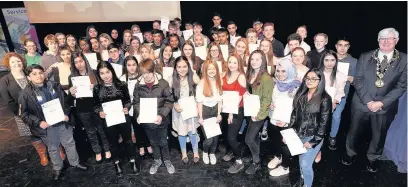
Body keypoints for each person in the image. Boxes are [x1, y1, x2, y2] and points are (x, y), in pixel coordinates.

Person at [343, 28, 407, 172]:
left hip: (385, 106)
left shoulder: (405, 60)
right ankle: (350, 153)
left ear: (396, 41)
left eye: (389, 38)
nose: (385, 41)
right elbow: (358, 80)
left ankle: (373, 158)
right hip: (361, 102)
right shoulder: (365, 56)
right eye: (382, 38)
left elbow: (402, 86)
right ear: (378, 41)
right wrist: (369, 101)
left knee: (379, 135)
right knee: (353, 132)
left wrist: (381, 103)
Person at [19, 64, 87, 180]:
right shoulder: (25, 94)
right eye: (34, 74)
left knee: (70, 143)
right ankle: (57, 168)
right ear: (28, 77)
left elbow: (66, 101)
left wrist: (66, 113)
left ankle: (75, 162)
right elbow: (23, 114)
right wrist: (39, 122)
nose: (38, 76)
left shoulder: (54, 85)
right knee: (53, 148)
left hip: (62, 122)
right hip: (47, 127)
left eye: (40, 73)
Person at [0, 53, 55, 167]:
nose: (17, 63)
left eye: (18, 61)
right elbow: (9, 102)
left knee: (49, 129)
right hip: (22, 114)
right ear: (8, 65)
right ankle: (43, 154)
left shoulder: (29, 73)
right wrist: (22, 115)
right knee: (33, 135)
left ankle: (56, 149)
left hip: (40, 109)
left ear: (22, 61)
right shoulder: (4, 80)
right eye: (13, 62)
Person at [93, 61, 139, 176]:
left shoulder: (122, 84)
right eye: (102, 73)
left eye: (107, 72)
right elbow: (95, 105)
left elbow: (128, 101)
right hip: (108, 120)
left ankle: (133, 161)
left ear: (112, 72)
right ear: (99, 75)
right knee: (112, 143)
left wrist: (126, 107)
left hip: (123, 118)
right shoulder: (97, 88)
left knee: (128, 140)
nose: (106, 75)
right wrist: (100, 112)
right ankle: (116, 163)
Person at [287, 68, 332, 187]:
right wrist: (289, 133)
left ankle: (307, 184)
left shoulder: (325, 99)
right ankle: (302, 179)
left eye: (314, 79)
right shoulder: (301, 94)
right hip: (298, 134)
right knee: (301, 161)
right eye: (307, 78)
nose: (309, 81)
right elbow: (294, 115)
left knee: (305, 164)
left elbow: (324, 124)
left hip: (313, 136)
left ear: (320, 80)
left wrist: (314, 141)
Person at [133, 58, 175, 174]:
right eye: (143, 73)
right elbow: (136, 102)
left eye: (148, 72)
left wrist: (161, 115)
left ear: (153, 70)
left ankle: (167, 160)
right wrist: (139, 114)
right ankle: (157, 160)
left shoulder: (163, 83)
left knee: (163, 141)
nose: (146, 76)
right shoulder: (138, 85)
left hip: (161, 120)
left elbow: (169, 101)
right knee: (153, 141)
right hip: (147, 121)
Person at [68, 52, 111, 163]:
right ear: (73, 64)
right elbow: (72, 97)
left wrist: (95, 88)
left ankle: (106, 149)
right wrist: (71, 93)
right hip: (82, 109)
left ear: (85, 61)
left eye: (81, 61)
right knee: (90, 131)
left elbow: (104, 90)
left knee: (102, 129)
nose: (79, 64)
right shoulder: (71, 77)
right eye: (76, 62)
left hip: (96, 106)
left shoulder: (95, 73)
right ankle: (97, 151)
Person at [268, 59, 301, 177]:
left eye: (284, 71)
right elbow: (275, 98)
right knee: (276, 140)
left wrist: (287, 121)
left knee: (285, 144)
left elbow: (298, 109)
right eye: (278, 71)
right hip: (275, 118)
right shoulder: (277, 84)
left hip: (287, 122)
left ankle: (285, 167)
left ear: (290, 71)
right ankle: (278, 156)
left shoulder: (297, 87)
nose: (280, 74)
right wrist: (271, 104)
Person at [244, 50, 273, 174]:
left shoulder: (266, 77)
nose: (254, 62)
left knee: (248, 139)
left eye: (258, 59)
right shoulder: (250, 74)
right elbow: (252, 91)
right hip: (250, 109)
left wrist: (259, 115)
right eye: (252, 59)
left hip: (259, 113)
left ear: (263, 61)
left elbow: (267, 99)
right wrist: (247, 93)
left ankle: (257, 161)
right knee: (254, 137)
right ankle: (255, 156)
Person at [315, 50, 347, 162]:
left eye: (332, 60)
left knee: (322, 129)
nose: (329, 63)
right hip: (315, 104)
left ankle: (318, 150)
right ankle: (315, 149)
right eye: (326, 60)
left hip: (329, 106)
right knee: (314, 128)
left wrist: (335, 102)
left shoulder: (341, 76)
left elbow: (340, 92)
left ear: (336, 61)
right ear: (322, 60)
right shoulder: (316, 73)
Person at [119, 56, 153, 158]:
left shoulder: (142, 76)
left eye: (134, 65)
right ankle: (141, 146)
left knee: (145, 127)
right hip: (130, 108)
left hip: (143, 105)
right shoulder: (122, 79)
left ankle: (148, 144)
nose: (132, 67)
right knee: (136, 128)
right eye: (129, 65)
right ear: (125, 66)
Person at [170, 56, 200, 164]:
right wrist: (174, 104)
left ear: (188, 67)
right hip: (179, 110)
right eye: (179, 67)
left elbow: (200, 90)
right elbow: (167, 96)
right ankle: (184, 153)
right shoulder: (171, 79)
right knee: (182, 133)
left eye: (184, 66)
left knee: (193, 131)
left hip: (191, 110)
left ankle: (196, 151)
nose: (182, 69)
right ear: (175, 68)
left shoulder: (193, 77)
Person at [328, 38, 357, 150]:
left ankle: (333, 136)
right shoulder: (329, 57)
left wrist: (351, 79)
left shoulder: (353, 61)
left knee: (336, 116)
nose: (342, 48)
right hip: (326, 92)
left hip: (341, 94)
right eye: (340, 45)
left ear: (349, 47)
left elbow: (356, 81)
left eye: (346, 45)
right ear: (336, 46)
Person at [220, 53, 247, 173]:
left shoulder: (241, 76)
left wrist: (231, 113)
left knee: (231, 138)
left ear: (239, 64)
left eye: (235, 62)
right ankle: (232, 151)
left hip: (236, 111)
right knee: (228, 136)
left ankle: (239, 160)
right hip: (225, 109)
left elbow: (239, 97)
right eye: (230, 62)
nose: (232, 65)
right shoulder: (224, 75)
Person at [196, 60, 223, 165]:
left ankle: (212, 153)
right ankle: (205, 152)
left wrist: (219, 114)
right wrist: (200, 117)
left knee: (215, 137)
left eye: (213, 68)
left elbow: (220, 100)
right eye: (209, 69)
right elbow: (199, 102)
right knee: (209, 139)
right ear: (205, 70)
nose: (211, 71)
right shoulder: (201, 84)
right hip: (205, 111)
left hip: (216, 110)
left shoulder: (219, 81)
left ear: (216, 69)